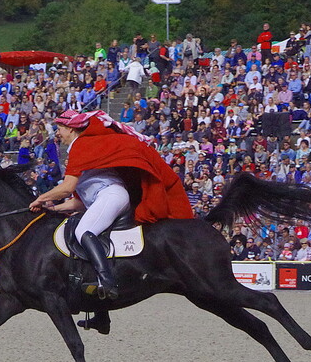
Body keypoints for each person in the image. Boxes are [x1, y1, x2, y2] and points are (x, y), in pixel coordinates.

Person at [30, 109, 194, 299]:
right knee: (85, 228)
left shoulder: (80, 145)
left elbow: (67, 188)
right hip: (109, 197)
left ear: (71, 128)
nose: (58, 133)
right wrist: (53, 208)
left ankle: (107, 281)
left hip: (111, 196)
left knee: (83, 231)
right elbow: (79, 202)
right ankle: (100, 313)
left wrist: (41, 198)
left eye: (60, 128)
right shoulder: (82, 145)